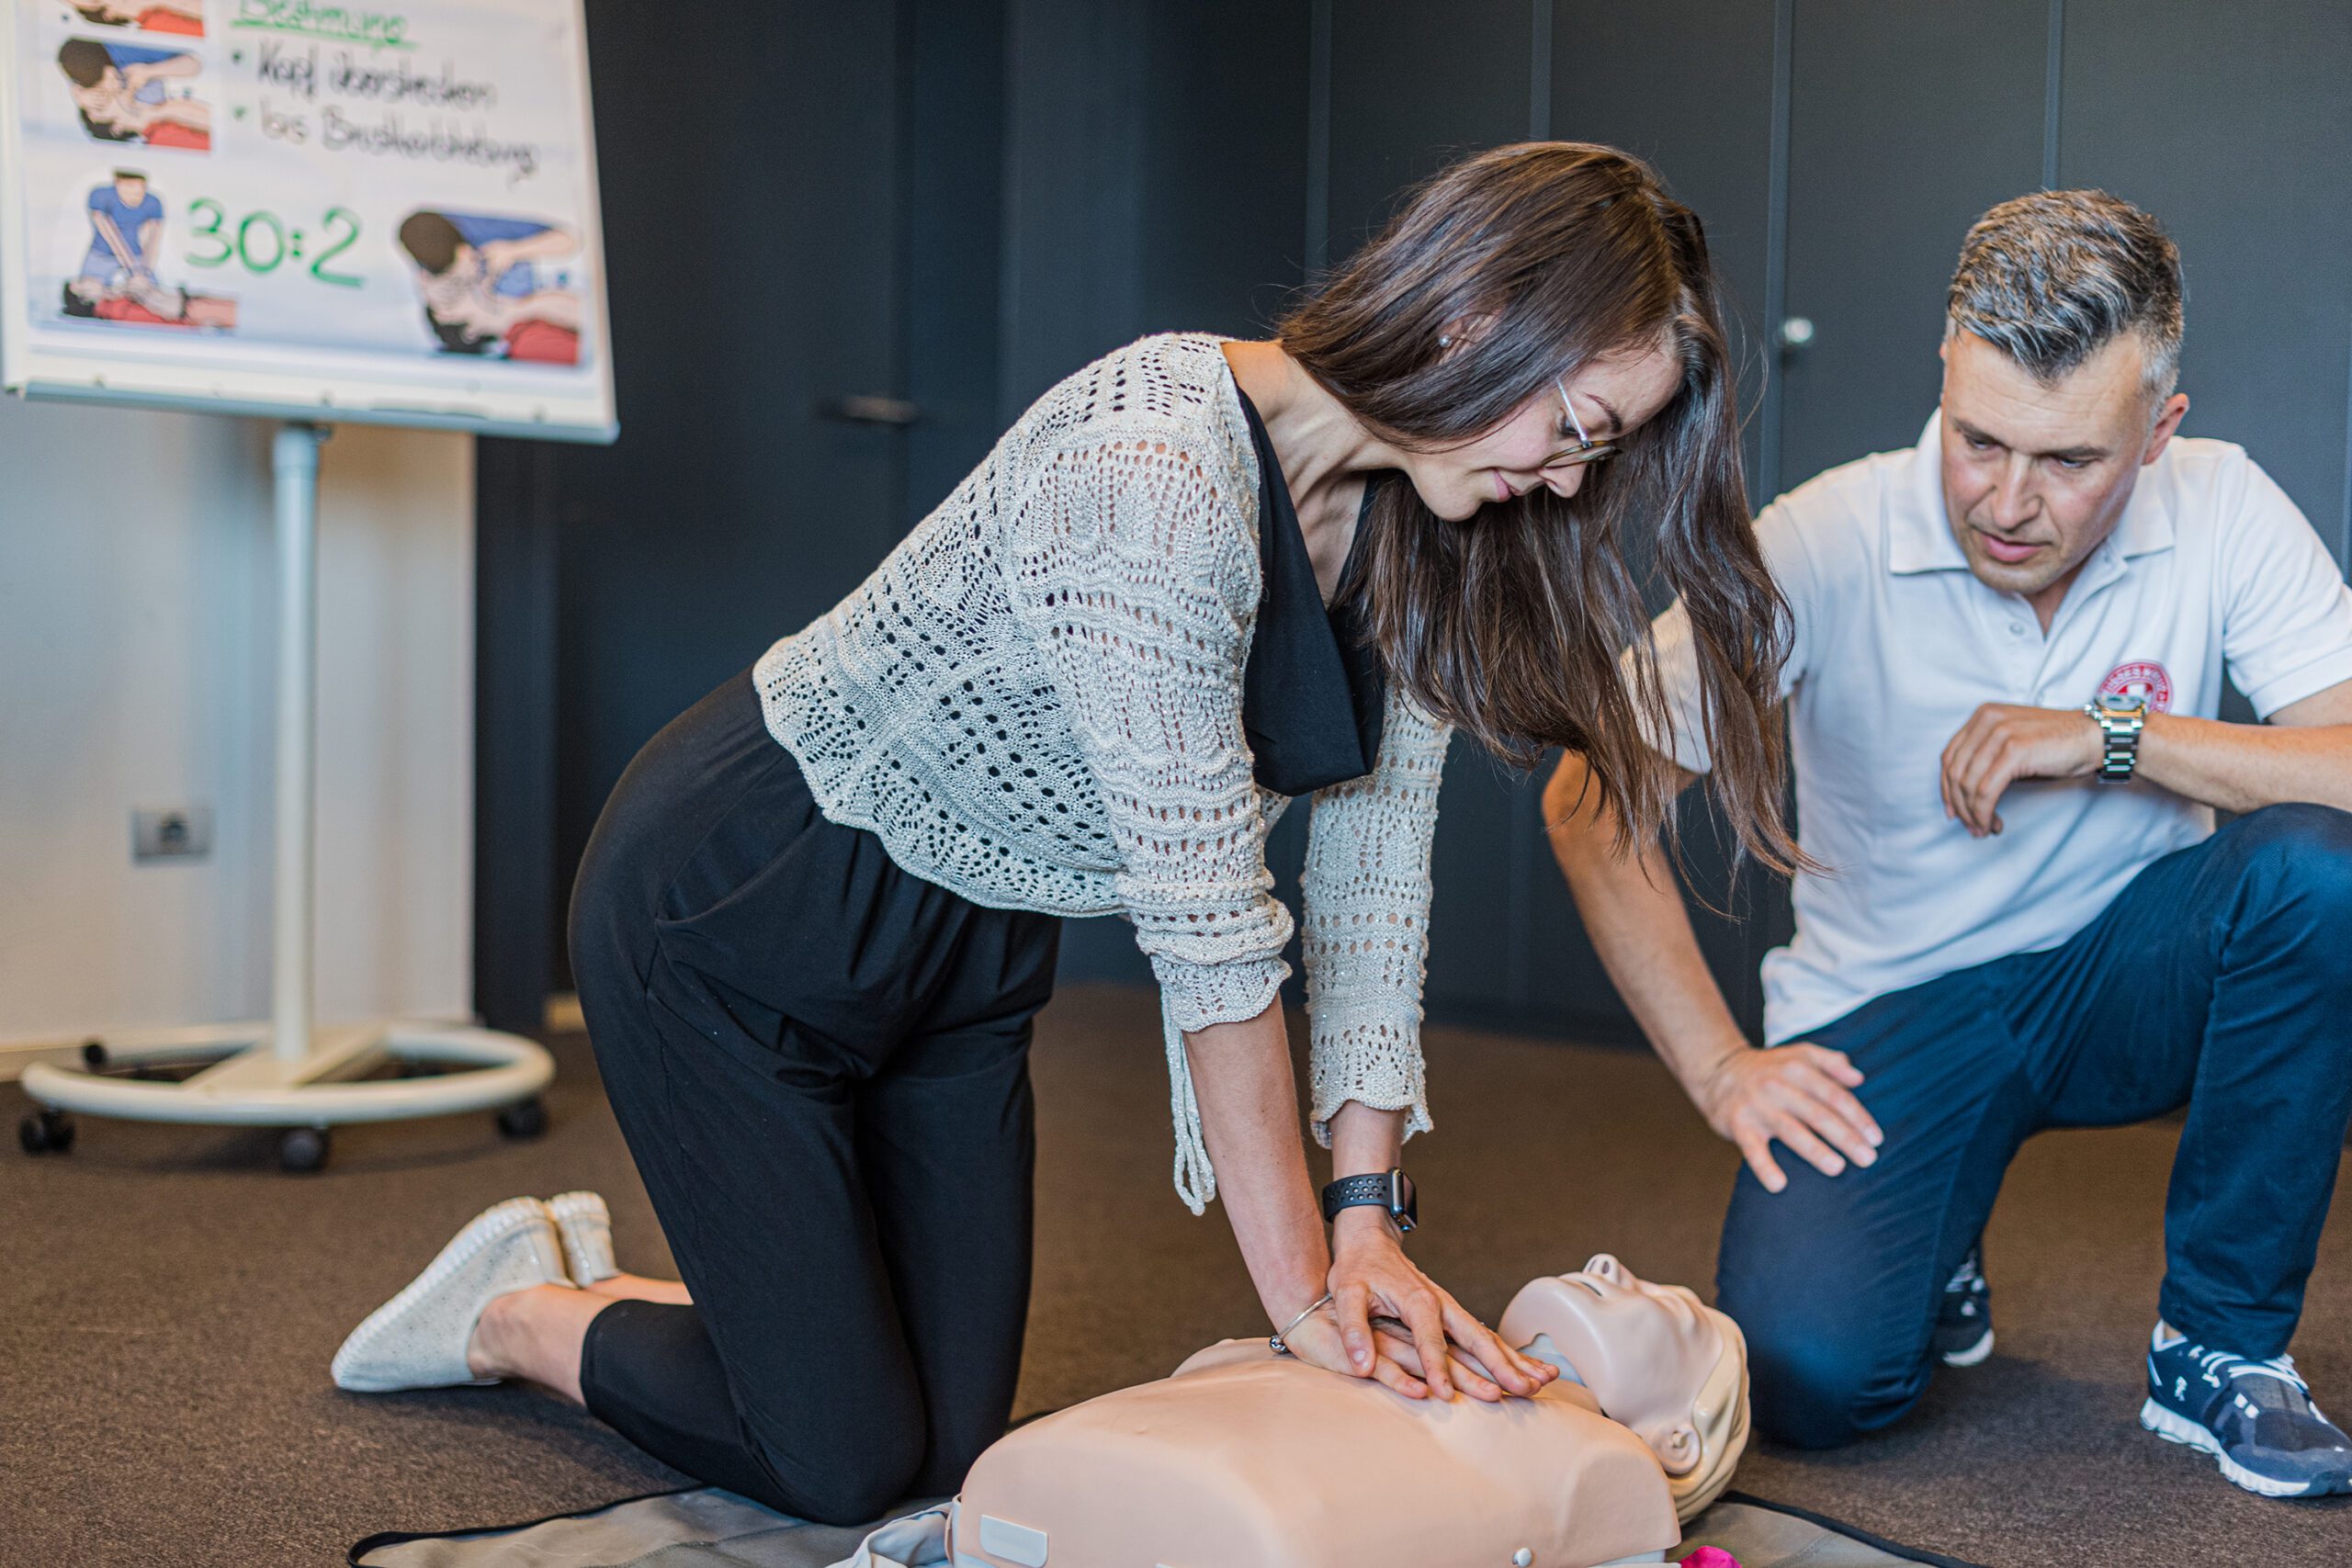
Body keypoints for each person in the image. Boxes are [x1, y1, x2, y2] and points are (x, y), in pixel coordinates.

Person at [333, 141, 1800, 1525]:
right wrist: (1306, 1302)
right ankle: (523, 1304)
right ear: (1480, 315)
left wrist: (1369, 1223)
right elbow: (1215, 929)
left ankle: (731, 1309)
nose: (1569, 480)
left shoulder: (1429, 531)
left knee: (960, 1455)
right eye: (1578, 428)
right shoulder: (1154, 468)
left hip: (971, 960)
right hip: (741, 907)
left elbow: (1371, 883)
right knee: (842, 1462)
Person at [1544, 189, 2352, 1496]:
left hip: (2125, 971)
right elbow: (1591, 796)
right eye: (1979, 440)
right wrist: (1722, 1067)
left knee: (2323, 868)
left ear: (2161, 432)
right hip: (1893, 1010)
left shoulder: (2224, 505)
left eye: (2071, 460)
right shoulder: (1825, 541)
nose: (2009, 502)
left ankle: (2220, 1347)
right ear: (1944, 372)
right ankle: (1937, 1232)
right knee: (1812, 1375)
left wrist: (2111, 735)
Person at [55, 39, 209, 143]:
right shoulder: (150, 108)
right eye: (100, 106)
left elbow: (195, 64)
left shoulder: (121, 65)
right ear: (117, 127)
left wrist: (77, 92)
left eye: (97, 93)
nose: (104, 96)